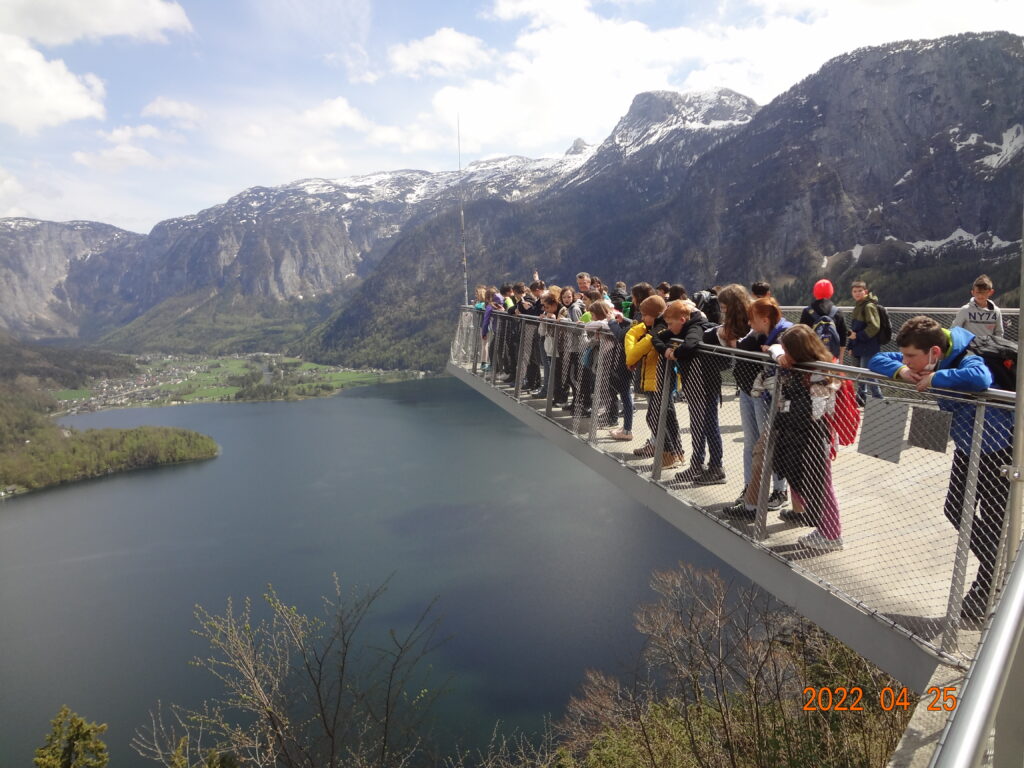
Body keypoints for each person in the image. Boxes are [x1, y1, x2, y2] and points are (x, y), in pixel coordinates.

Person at [870, 316, 1014, 620]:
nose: (907, 360)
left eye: (911, 356)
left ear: (934, 352)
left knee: (993, 520)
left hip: (999, 448)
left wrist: (936, 378)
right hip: (969, 445)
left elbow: (980, 379)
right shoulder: (927, 353)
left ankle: (988, 586)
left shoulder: (967, 356)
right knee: (956, 508)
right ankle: (995, 572)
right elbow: (877, 359)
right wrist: (901, 371)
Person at [766, 325, 843, 551]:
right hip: (801, 433)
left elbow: (817, 412)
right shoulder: (802, 366)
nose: (785, 355)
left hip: (816, 436)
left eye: (788, 351)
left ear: (799, 351)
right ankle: (825, 529)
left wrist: (791, 404)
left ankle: (831, 534)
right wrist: (779, 355)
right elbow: (774, 348)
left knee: (822, 484)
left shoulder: (820, 373)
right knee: (811, 482)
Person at [725, 298, 792, 517]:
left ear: (764, 319)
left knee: (768, 445)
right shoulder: (760, 334)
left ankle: (777, 491)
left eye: (752, 319)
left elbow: (785, 356)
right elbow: (743, 345)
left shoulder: (782, 334)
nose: (749, 323)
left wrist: (772, 350)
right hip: (752, 389)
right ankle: (751, 493)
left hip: (768, 395)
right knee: (752, 444)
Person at [677, 284, 750, 486]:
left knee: (709, 424)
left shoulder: (737, 327)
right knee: (706, 424)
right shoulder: (729, 325)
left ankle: (716, 467)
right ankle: (704, 465)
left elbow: (735, 347)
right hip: (706, 376)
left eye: (725, 307)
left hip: (707, 379)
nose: (722, 310)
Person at [624, 295, 685, 469]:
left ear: (655, 314)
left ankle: (668, 454)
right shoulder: (658, 327)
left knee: (656, 417)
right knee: (667, 417)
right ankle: (676, 452)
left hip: (659, 379)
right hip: (657, 379)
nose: (642, 319)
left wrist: (632, 356)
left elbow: (633, 354)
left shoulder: (658, 330)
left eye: (645, 315)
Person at [848, 280, 884, 404]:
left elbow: (874, 327)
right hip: (860, 346)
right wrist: (851, 346)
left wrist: (857, 337)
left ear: (866, 292)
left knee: (868, 375)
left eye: (860, 291)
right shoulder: (859, 306)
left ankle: (879, 400)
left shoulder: (868, 306)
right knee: (861, 375)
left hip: (868, 346)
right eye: (855, 291)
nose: (857, 293)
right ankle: (861, 400)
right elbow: (855, 328)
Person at [800, 279, 847, 362]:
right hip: (832, 357)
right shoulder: (837, 312)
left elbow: (802, 335)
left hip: (812, 357)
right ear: (831, 292)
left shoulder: (807, 312)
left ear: (815, 292)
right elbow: (843, 336)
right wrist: (841, 359)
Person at [952, 274, 1004, 339]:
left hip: (989, 345)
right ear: (972, 292)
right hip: (970, 345)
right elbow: (954, 329)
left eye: (983, 292)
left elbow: (999, 332)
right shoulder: (965, 310)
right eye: (977, 292)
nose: (980, 296)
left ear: (991, 292)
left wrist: (995, 344)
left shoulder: (996, 311)